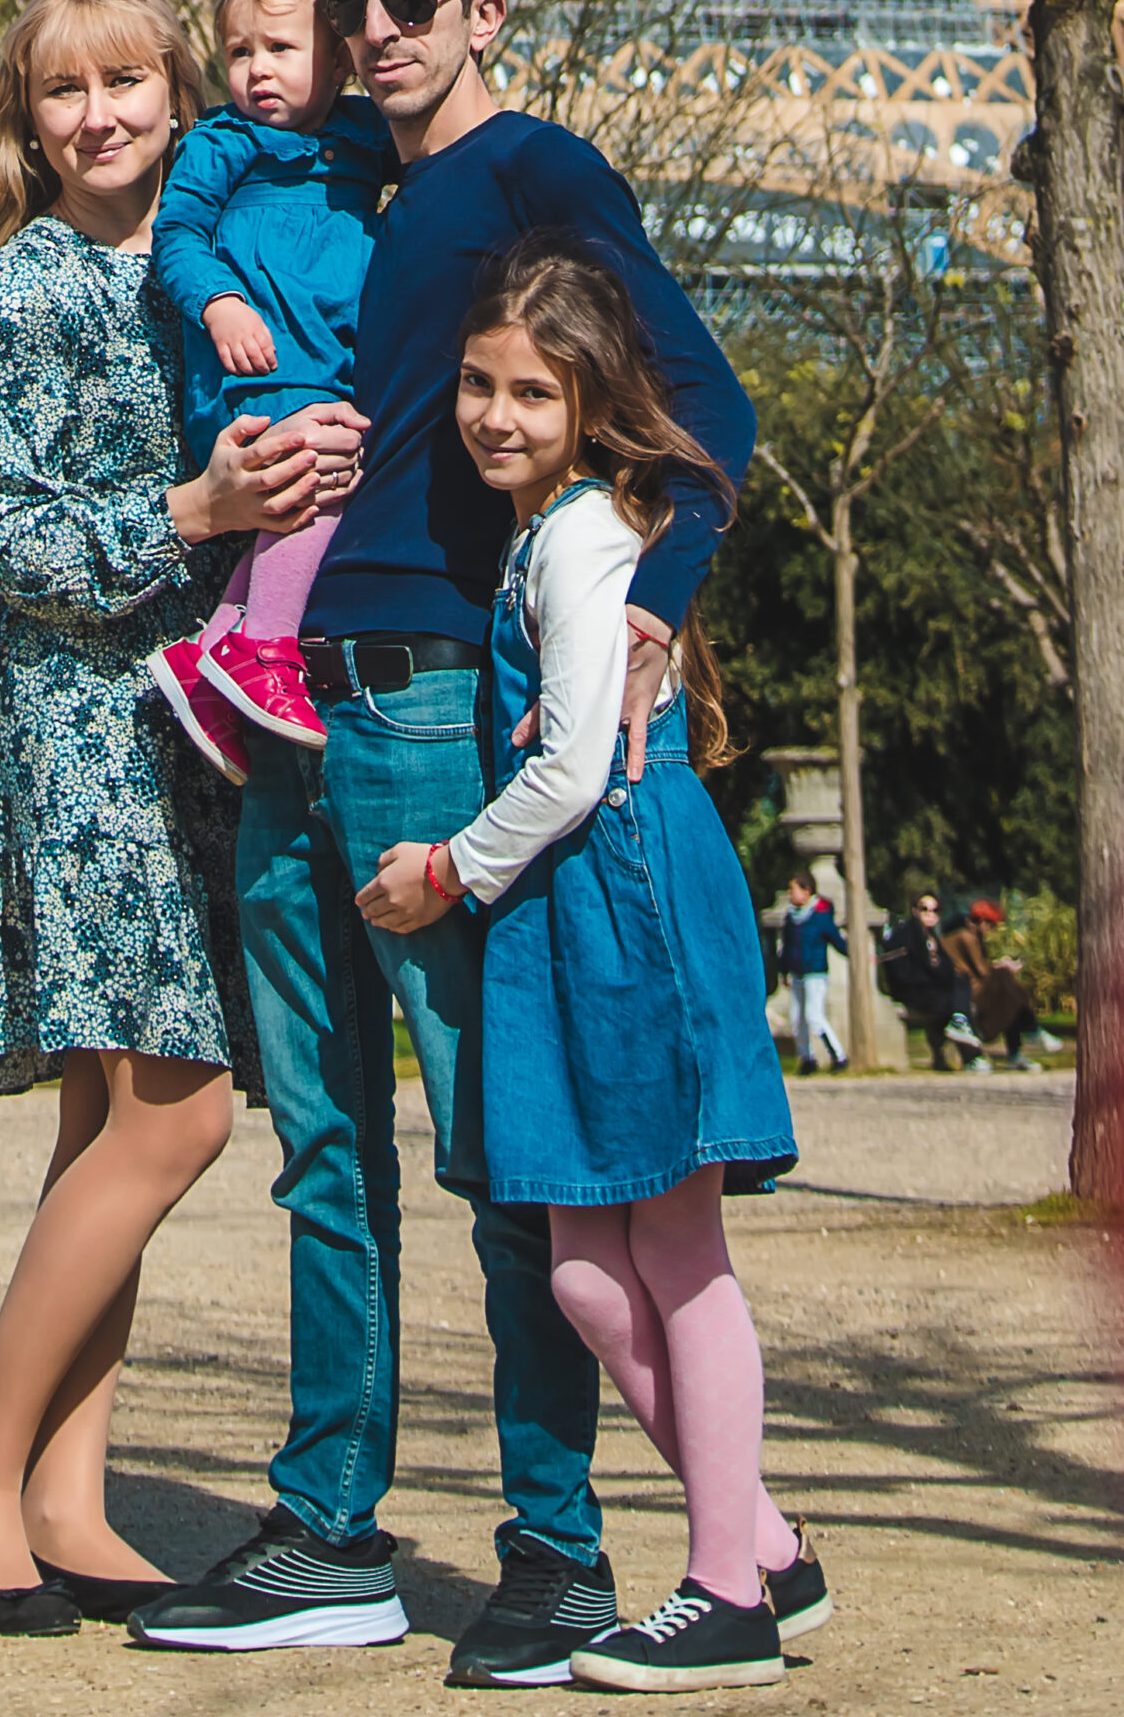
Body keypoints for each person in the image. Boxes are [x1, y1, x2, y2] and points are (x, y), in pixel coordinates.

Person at [131, 0, 760, 1680]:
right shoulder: (324, 182)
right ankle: (332, 1522)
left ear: (486, 10)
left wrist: (648, 616)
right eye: (350, 4)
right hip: (283, 695)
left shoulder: (531, 173)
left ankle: (555, 1548)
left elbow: (700, 415)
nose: (377, 26)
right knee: (323, 1143)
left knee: (493, 1151)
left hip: (419, 699)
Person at [0, 0, 364, 1636]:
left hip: (207, 723)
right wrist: (198, 503)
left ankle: (66, 1489)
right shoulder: (20, 293)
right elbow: (12, 545)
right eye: (62, 93)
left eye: (127, 84)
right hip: (89, 722)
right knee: (181, 1110)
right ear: (26, 122)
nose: (99, 118)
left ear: (184, 87)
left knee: (107, 1124)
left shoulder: (222, 247)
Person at [354, 243, 822, 1690]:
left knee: (675, 1256)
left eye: (532, 394)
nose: (496, 415)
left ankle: (720, 1584)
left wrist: (441, 875)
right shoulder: (545, 532)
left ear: (589, 400)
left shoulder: (582, 541)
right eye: (480, 387)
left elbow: (566, 772)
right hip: (571, 917)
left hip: (619, 895)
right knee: (583, 1273)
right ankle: (764, 1547)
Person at [148, 0, 394, 765]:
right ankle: (265, 647)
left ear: (338, 61)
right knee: (315, 489)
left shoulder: (365, 137)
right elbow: (176, 235)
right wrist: (219, 304)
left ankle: (211, 647)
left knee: (306, 496)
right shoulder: (223, 143)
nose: (256, 70)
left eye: (280, 50)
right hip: (257, 367)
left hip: (323, 362)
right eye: (239, 51)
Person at [943, 900, 1061, 1069]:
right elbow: (982, 972)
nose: (992, 931)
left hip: (971, 987)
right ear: (983, 921)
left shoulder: (963, 933)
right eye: (992, 926)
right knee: (1009, 986)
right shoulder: (966, 937)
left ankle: (1025, 1041)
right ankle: (1030, 1032)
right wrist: (1002, 966)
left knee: (1011, 995)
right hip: (968, 992)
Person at [880, 893, 988, 1072]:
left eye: (935, 910)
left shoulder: (933, 937)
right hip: (914, 991)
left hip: (935, 989)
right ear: (915, 911)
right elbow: (903, 974)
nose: (930, 914)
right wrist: (935, 975)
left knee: (961, 985)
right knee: (951, 1005)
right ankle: (971, 1056)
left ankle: (960, 1026)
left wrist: (942, 974)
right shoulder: (905, 936)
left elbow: (945, 968)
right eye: (924, 909)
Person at [776, 868, 848, 1074]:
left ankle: (838, 1056)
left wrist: (855, 954)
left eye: (794, 890)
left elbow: (836, 940)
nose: (791, 895)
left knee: (814, 1016)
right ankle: (807, 1058)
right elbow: (786, 948)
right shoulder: (791, 918)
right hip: (797, 973)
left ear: (807, 891)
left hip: (815, 973)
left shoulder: (820, 917)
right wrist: (784, 971)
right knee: (797, 1018)